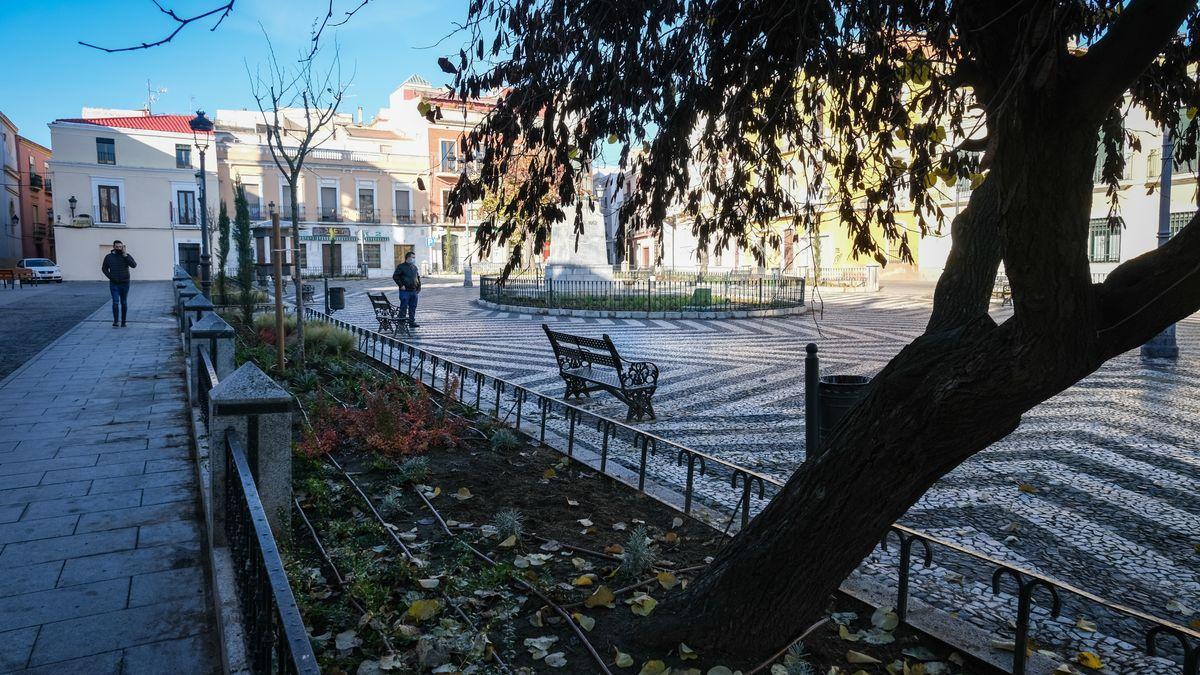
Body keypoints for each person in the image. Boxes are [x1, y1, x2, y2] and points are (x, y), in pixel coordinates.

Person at [101, 240, 137, 327]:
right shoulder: (108, 257)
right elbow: (104, 269)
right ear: (113, 247)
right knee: (115, 302)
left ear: (122, 247)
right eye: (117, 247)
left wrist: (125, 256)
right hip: (114, 283)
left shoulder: (126, 255)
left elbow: (134, 265)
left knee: (124, 302)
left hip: (125, 283)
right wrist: (111, 277)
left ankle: (124, 321)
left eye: (120, 247)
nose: (118, 248)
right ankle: (116, 321)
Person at [391, 251, 421, 328]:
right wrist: (401, 285)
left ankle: (411, 322)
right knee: (403, 307)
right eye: (413, 257)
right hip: (405, 291)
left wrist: (419, 287)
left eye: (414, 257)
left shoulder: (414, 267)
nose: (414, 259)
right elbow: (395, 276)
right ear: (408, 258)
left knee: (413, 307)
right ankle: (401, 323)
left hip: (414, 291)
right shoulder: (401, 266)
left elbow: (417, 277)